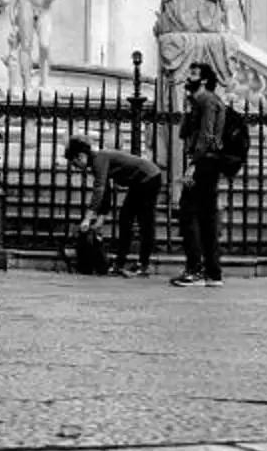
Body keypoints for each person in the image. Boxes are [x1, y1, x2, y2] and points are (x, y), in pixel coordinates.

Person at [66, 136, 166, 277]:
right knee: (125, 219)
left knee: (145, 222)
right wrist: (100, 218)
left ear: (81, 156)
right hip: (139, 182)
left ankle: (143, 265)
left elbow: (99, 190)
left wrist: (88, 218)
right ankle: (120, 264)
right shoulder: (97, 161)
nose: (75, 167)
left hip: (149, 178)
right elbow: (106, 192)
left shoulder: (100, 159)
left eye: (75, 163)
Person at [174, 63, 230, 288]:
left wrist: (192, 166)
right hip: (207, 163)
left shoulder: (208, 100)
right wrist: (188, 108)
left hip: (203, 163)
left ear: (204, 80)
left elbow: (207, 136)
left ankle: (195, 270)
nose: (188, 77)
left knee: (188, 214)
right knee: (206, 219)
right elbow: (183, 133)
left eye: (194, 74)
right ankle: (212, 273)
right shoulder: (198, 101)